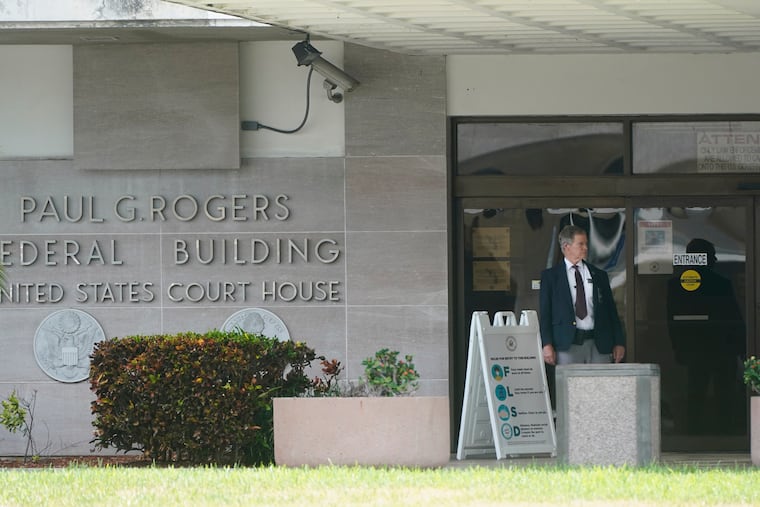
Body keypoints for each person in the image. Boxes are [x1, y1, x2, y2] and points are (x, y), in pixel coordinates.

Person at [666, 238, 744, 434]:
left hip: (696, 350)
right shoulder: (721, 284)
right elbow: (734, 318)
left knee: (696, 394)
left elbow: (672, 322)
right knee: (723, 395)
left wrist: (678, 348)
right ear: (703, 258)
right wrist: (741, 348)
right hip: (721, 349)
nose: (716, 259)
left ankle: (693, 435)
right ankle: (725, 436)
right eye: (712, 255)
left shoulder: (676, 285)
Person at [539, 224, 625, 365]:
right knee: (570, 385)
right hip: (567, 344)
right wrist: (546, 344)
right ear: (567, 247)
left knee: (600, 385)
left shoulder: (599, 275)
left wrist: (619, 342)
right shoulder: (551, 277)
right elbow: (545, 314)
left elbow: (611, 312)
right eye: (581, 244)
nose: (585, 248)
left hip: (599, 344)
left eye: (586, 244)